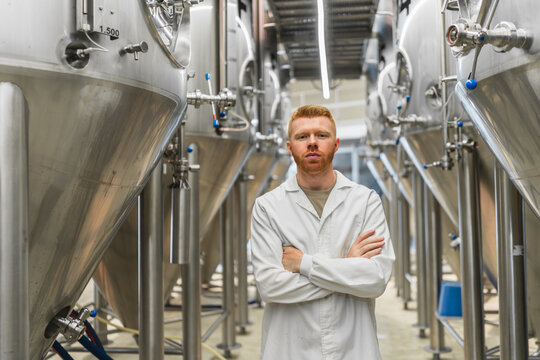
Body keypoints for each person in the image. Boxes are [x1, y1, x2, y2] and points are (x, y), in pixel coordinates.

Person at [250, 105, 395, 360]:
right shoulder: (268, 207)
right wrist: (348, 268)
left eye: (322, 135)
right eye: (302, 136)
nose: (313, 143)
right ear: (289, 147)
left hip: (354, 349)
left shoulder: (365, 201)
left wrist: (303, 264)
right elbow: (270, 286)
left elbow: (376, 279)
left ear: (336, 143)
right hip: (289, 350)